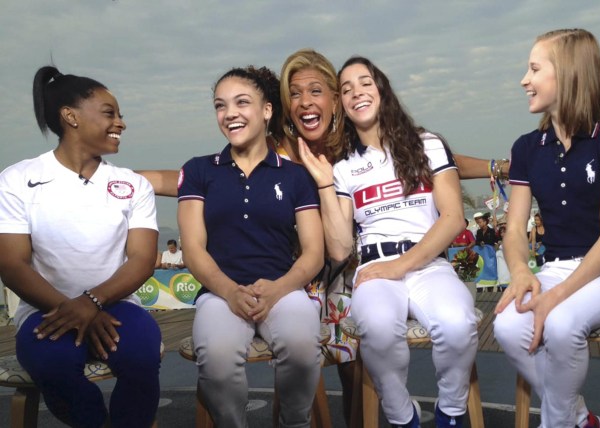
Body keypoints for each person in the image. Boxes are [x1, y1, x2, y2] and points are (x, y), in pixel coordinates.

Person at [138, 48, 510, 424]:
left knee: (354, 361)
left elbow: (436, 159)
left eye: (315, 91)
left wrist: (497, 166)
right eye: (295, 94)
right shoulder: (283, 150)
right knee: (303, 356)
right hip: (307, 269)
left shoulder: (357, 139)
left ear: (336, 98)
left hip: (354, 264)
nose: (304, 102)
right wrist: (125, 179)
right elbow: (194, 180)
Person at [299, 55, 478, 428]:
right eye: (346, 89)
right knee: (377, 329)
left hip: (428, 264)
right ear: (342, 107)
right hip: (375, 272)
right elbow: (339, 249)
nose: (356, 93)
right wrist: (324, 182)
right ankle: (403, 417)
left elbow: (452, 218)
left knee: (458, 322)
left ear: (382, 89)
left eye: (364, 82)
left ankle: (451, 412)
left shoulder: (428, 144)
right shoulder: (344, 167)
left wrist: (401, 264)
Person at [492, 29, 600, 428]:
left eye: (534, 69)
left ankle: (556, 424)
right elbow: (513, 232)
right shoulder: (526, 147)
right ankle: (580, 419)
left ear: (570, 74)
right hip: (555, 266)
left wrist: (556, 295)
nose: (524, 80)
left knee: (561, 324)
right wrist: (523, 272)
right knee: (506, 326)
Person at [0, 66, 162, 427]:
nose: (121, 123)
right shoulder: (16, 180)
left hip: (117, 308)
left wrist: (92, 302)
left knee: (142, 357)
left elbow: (142, 259)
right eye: (109, 113)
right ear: (70, 117)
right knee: (53, 365)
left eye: (119, 115)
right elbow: (12, 264)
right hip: (45, 313)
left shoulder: (133, 185)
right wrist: (73, 309)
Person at [177, 65, 324, 428]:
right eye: (220, 106)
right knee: (218, 357)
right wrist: (228, 291)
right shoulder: (198, 171)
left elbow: (313, 253)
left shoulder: (295, 175)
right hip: (219, 292)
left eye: (242, 102)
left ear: (267, 110)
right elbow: (194, 248)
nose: (230, 114)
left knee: (304, 347)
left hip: (284, 289)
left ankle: (294, 423)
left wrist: (278, 290)